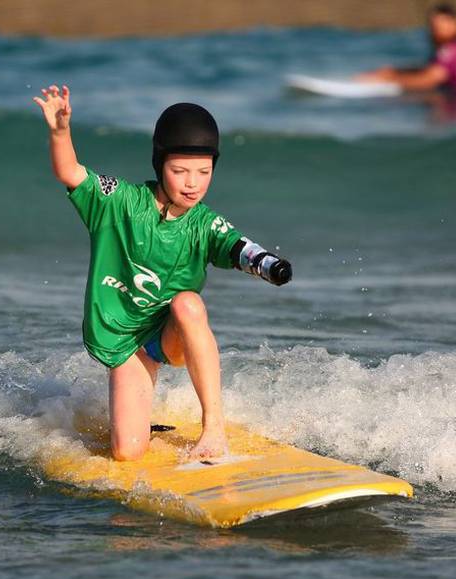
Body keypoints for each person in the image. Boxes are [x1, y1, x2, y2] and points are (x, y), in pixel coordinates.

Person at [33, 85, 292, 462]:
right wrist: (60, 132)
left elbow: (240, 247)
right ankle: (142, 424)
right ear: (160, 165)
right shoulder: (119, 203)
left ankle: (213, 428)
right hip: (127, 343)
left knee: (188, 303)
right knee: (126, 453)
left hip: (169, 333)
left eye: (204, 171)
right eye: (180, 170)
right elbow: (71, 173)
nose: (193, 183)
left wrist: (270, 266)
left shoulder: (205, 223)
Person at [356, 3, 456, 94]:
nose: (436, 31)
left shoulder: (450, 51)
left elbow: (428, 79)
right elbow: (431, 69)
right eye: (433, 26)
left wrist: (385, 80)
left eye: (442, 26)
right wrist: (395, 71)